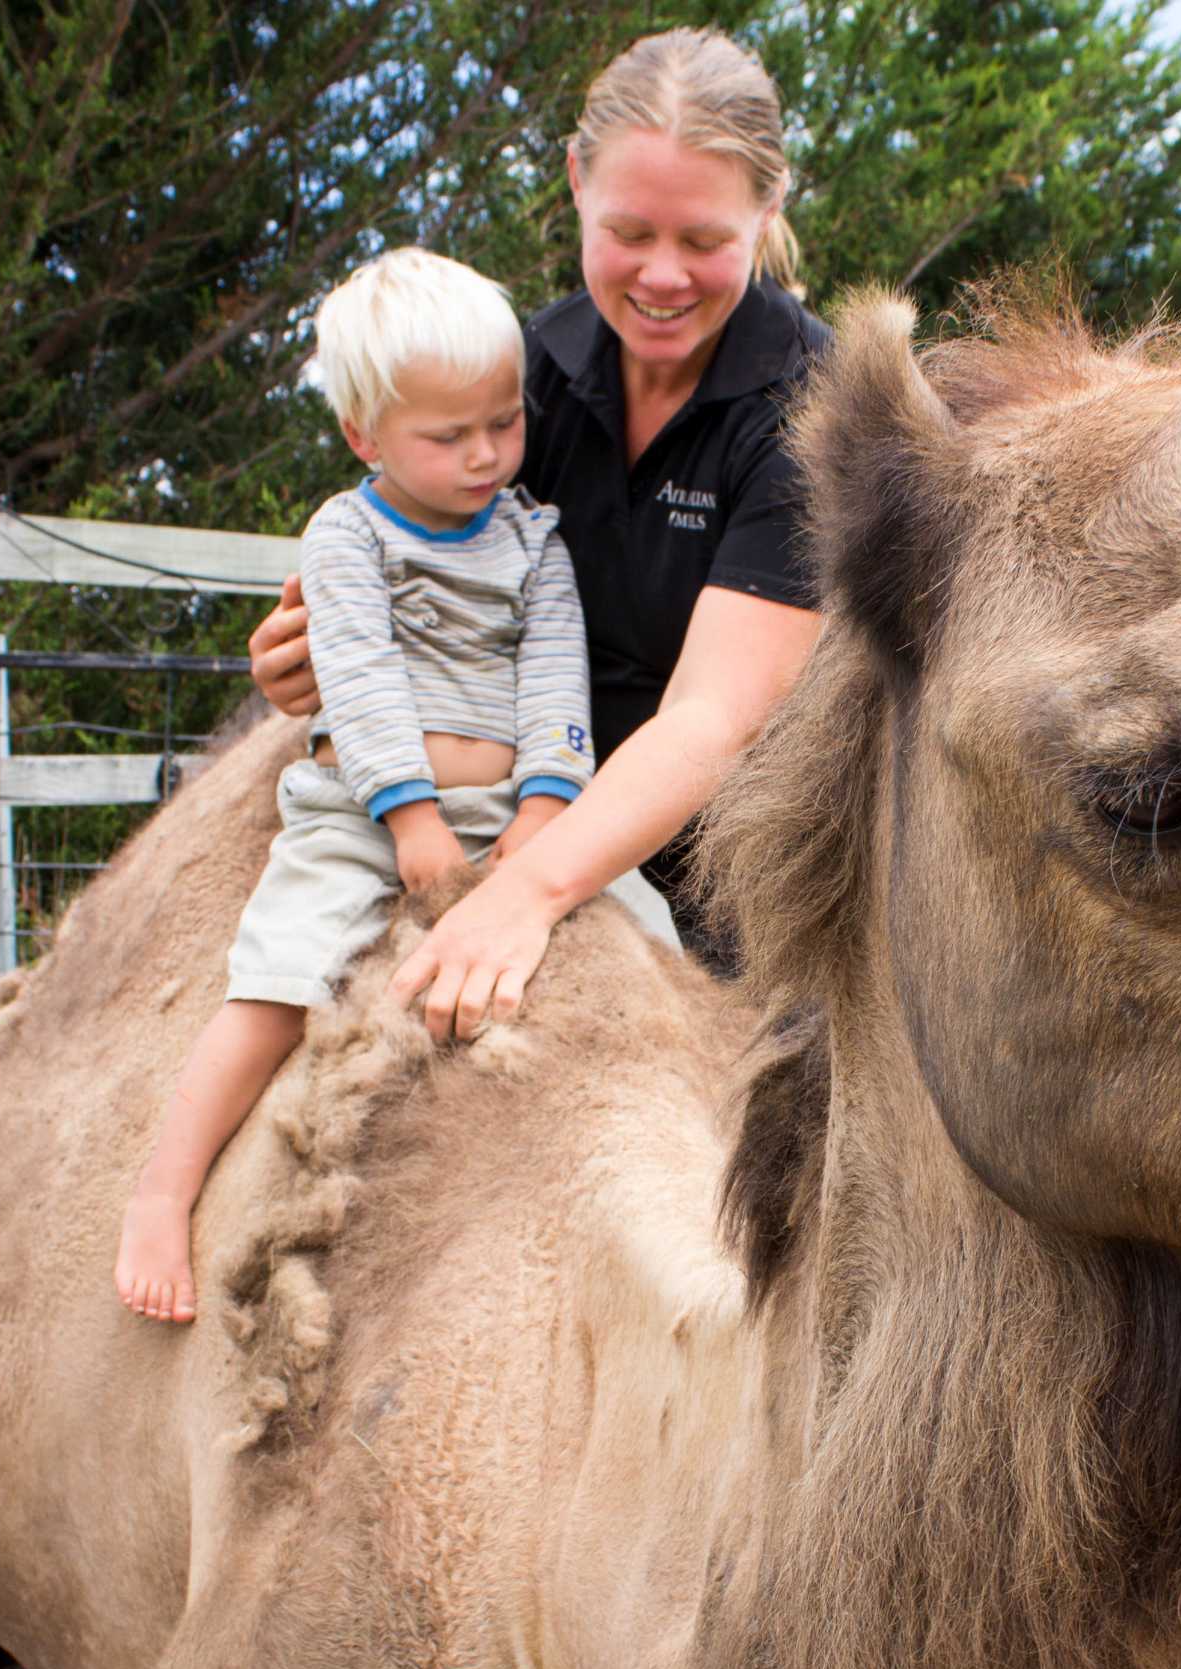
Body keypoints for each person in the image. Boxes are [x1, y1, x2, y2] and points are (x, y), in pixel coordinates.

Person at [114, 247, 675, 1322]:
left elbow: (557, 668)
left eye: (504, 425)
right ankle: (163, 1189)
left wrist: (549, 808)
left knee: (650, 933)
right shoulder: (348, 536)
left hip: (513, 810)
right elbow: (359, 678)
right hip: (366, 817)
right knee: (282, 977)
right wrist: (409, 817)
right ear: (365, 437)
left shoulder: (531, 538)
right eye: (448, 435)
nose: (485, 454)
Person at [248, 26, 829, 1042]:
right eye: (630, 232)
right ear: (573, 183)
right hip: (517, 818)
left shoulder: (810, 412)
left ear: (769, 209)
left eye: (702, 241)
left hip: (749, 884)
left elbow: (714, 716)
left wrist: (529, 894)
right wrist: (313, 661)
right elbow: (420, 564)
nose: (660, 275)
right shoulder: (521, 383)